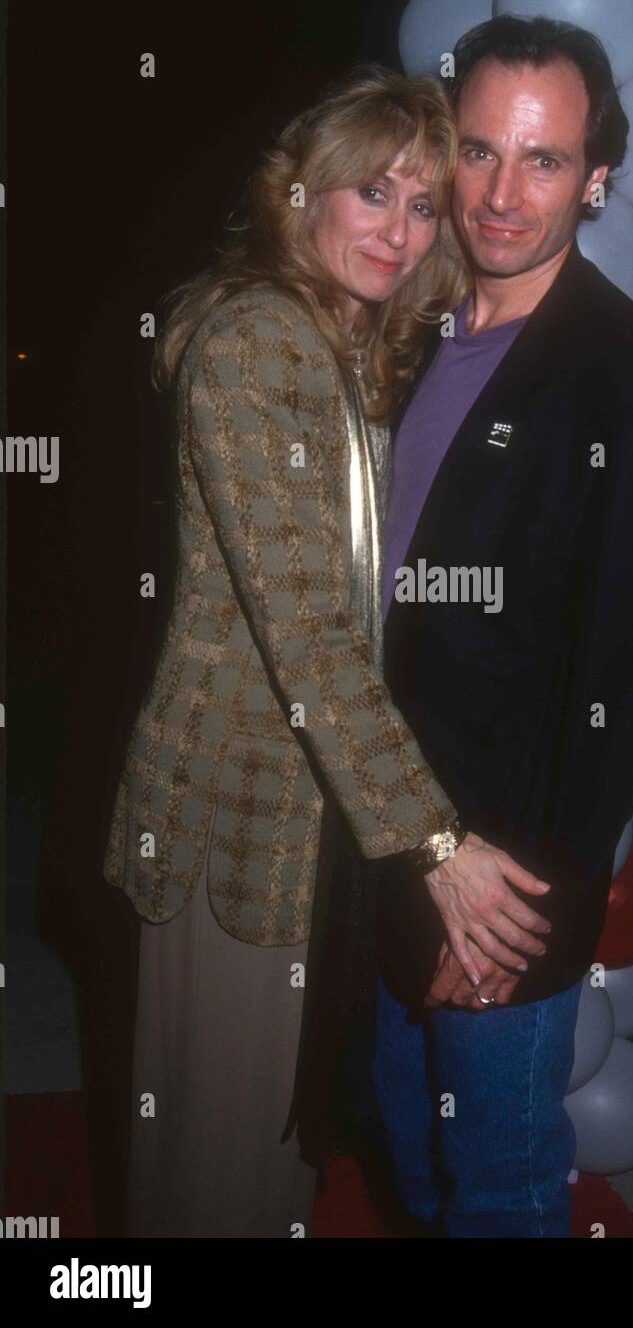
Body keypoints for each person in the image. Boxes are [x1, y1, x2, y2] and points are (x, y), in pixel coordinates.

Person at [101, 65, 549, 1239]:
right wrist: (434, 841)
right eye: (370, 195)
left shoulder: (346, 347)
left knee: (274, 1145)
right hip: (233, 811)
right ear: (300, 195)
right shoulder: (257, 342)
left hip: (311, 822)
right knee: (218, 1158)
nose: (400, 231)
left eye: (418, 201)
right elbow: (307, 628)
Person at [372, 16, 633, 1238]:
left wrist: (532, 905)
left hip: (501, 879)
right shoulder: (414, 333)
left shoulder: (624, 376)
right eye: (475, 153)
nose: (502, 195)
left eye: (544, 160)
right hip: (384, 840)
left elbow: (632, 670)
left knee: (501, 1188)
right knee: (408, 1150)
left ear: (597, 173)